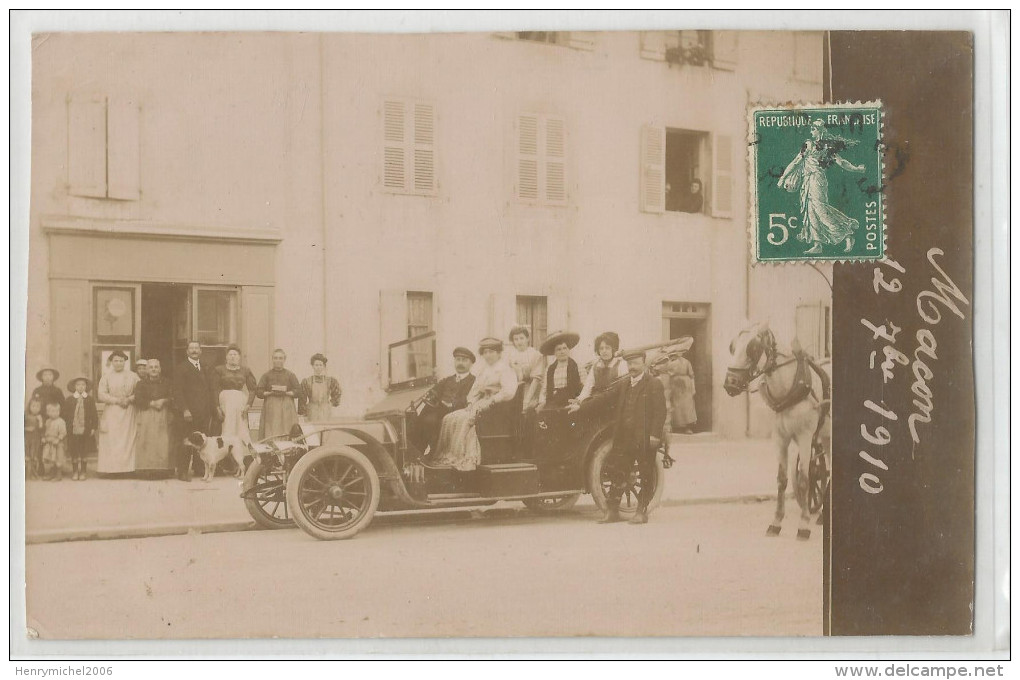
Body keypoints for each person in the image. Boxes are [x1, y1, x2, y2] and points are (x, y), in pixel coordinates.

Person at [598, 349, 667, 525]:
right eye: (629, 364)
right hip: (624, 438)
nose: (632, 367)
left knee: (645, 474)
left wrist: (655, 436)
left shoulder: (654, 384)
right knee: (618, 471)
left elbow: (660, 413)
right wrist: (580, 405)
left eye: (636, 363)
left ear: (644, 363)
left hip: (644, 439)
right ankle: (613, 511)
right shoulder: (624, 384)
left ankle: (641, 512)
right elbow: (605, 398)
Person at [777, 118, 866, 254]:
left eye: (813, 129)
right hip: (808, 181)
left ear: (819, 131)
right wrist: (783, 177)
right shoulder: (816, 145)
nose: (811, 131)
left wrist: (856, 169)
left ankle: (847, 233)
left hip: (816, 180)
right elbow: (796, 161)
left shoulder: (819, 146)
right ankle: (817, 244)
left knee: (819, 209)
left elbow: (842, 163)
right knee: (811, 210)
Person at [432, 338, 517, 472]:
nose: (488, 355)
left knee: (467, 420)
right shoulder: (484, 371)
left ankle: (466, 457)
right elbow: (475, 391)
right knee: (450, 417)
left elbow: (509, 392)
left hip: (497, 407)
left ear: (499, 353)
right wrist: (471, 402)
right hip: (481, 403)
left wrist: (492, 400)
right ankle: (451, 454)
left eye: (491, 352)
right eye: (485, 352)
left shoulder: (505, 369)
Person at [415, 347, 477, 456]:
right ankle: (417, 451)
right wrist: (430, 394)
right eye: (458, 359)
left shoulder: (474, 381)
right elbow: (434, 391)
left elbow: (470, 397)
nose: (460, 363)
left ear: (471, 363)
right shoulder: (447, 380)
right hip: (440, 411)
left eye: (464, 360)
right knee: (417, 418)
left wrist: (452, 404)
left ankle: (433, 452)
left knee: (430, 420)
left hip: (458, 412)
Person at [172, 340, 214, 481]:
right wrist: (184, 409)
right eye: (191, 348)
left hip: (203, 412)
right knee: (186, 442)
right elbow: (177, 391)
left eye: (197, 348)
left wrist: (212, 409)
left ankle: (199, 467)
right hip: (188, 413)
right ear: (187, 352)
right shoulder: (181, 368)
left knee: (201, 442)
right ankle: (182, 471)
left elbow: (210, 390)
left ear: (200, 351)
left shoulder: (205, 367)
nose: (194, 350)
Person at [96, 350, 140, 476]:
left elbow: (140, 392)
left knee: (128, 438)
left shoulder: (133, 376)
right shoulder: (106, 377)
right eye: (116, 360)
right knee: (112, 439)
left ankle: (128, 469)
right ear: (111, 362)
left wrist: (129, 399)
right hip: (112, 411)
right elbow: (101, 394)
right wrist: (116, 400)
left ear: (125, 362)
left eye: (121, 361)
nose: (119, 363)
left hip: (128, 410)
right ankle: (111, 470)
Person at [133, 359, 174, 478]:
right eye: (151, 367)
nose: (154, 369)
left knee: (163, 441)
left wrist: (164, 400)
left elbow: (173, 396)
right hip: (147, 414)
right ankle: (146, 470)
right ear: (146, 370)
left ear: (160, 369)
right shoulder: (141, 384)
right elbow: (138, 399)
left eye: (156, 367)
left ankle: (163, 470)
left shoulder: (167, 382)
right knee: (147, 440)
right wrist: (151, 403)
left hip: (163, 414)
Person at [211, 345, 258, 445]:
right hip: (225, 400)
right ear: (226, 357)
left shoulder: (245, 370)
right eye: (230, 354)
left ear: (239, 357)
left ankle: (241, 449)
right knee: (227, 424)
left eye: (235, 355)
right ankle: (226, 448)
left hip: (240, 400)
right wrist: (217, 407)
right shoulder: (219, 370)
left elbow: (252, 389)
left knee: (241, 425)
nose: (233, 357)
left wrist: (248, 405)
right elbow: (214, 389)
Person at [570, 331, 627, 412]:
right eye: (601, 348)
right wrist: (578, 401)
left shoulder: (621, 364)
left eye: (607, 348)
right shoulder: (596, 366)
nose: (604, 351)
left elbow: (622, 391)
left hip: (614, 405)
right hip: (597, 404)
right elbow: (587, 388)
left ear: (613, 349)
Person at [256, 349, 302, 439]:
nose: (278, 360)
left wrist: (287, 392)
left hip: (286, 406)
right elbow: (259, 392)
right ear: (272, 359)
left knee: (287, 428)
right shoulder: (266, 375)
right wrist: (270, 392)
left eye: (280, 358)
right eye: (276, 358)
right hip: (271, 407)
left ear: (284, 360)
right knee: (272, 429)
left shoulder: (290, 375)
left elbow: (298, 391)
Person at [63, 377, 98, 481]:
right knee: (74, 450)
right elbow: (65, 415)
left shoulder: (90, 399)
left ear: (86, 387)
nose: (80, 387)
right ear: (74, 387)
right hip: (72, 430)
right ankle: (74, 471)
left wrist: (93, 428)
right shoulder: (69, 399)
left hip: (85, 430)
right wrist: (66, 427)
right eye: (78, 385)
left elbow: (94, 415)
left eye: (83, 385)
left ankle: (83, 471)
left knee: (84, 451)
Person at [504, 325, 545, 413]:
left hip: (531, 390)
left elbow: (536, 379)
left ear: (527, 339)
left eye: (521, 338)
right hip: (514, 390)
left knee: (527, 412)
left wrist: (527, 400)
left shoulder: (536, 355)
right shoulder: (510, 356)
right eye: (516, 339)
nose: (519, 342)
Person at [538, 330, 582, 410]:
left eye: (564, 348)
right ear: (554, 352)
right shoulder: (550, 368)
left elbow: (585, 386)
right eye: (559, 349)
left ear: (568, 350)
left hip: (571, 399)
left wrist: (578, 401)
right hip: (554, 401)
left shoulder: (577, 365)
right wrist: (542, 402)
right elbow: (544, 389)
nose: (562, 352)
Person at [660, 350, 697, 435]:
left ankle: (688, 427)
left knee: (687, 405)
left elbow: (692, 376)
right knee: (674, 405)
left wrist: (693, 388)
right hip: (673, 384)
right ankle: (675, 426)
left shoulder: (686, 362)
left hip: (685, 385)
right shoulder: (667, 362)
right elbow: (662, 371)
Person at [299, 353, 342, 423]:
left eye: (320, 365)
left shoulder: (330, 381)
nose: (318, 367)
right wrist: (304, 412)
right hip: (312, 411)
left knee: (326, 430)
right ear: (312, 366)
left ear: (324, 366)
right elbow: (302, 398)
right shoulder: (307, 381)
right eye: (316, 365)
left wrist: (330, 404)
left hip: (326, 411)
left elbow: (337, 393)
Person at [41, 401, 68, 481]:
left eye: (56, 411)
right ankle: (52, 473)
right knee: (50, 458)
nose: (54, 413)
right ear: (47, 412)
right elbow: (46, 431)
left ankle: (58, 475)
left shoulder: (61, 421)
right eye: (51, 411)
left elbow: (63, 433)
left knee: (58, 458)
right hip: (49, 443)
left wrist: (58, 439)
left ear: (59, 412)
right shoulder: (47, 421)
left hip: (57, 443)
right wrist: (44, 438)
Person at [25, 397, 44, 480]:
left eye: (37, 406)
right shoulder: (26, 416)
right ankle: (26, 473)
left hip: (36, 440)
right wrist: (27, 428)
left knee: (34, 456)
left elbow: (41, 429)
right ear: (29, 406)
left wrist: (40, 421)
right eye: (33, 406)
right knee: (27, 455)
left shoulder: (40, 417)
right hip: (26, 439)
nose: (35, 408)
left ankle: (33, 473)